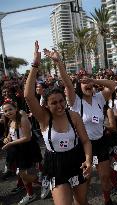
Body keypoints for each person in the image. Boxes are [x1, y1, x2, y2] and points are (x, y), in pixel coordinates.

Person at [44, 47, 117, 205]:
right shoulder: (75, 101)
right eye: (82, 81)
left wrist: (95, 81)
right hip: (83, 147)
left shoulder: (99, 97)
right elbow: (67, 84)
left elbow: (113, 85)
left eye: (88, 80)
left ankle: (107, 200)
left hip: (100, 142)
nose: (87, 83)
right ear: (79, 85)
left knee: (105, 177)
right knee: (86, 181)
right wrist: (58, 62)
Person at [24, 41, 92, 205]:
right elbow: (28, 96)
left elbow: (85, 140)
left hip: (76, 160)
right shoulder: (44, 118)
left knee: (82, 202)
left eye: (61, 101)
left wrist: (88, 160)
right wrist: (35, 63)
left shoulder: (73, 116)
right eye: (53, 103)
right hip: (55, 165)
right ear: (46, 105)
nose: (59, 105)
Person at [2, 99, 39, 204]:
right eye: (5, 111)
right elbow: (11, 134)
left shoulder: (22, 119)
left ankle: (44, 182)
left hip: (26, 149)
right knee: (22, 174)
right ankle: (31, 193)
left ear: (15, 109)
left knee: (24, 174)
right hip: (18, 149)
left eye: (10, 109)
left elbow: (27, 137)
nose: (8, 112)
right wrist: (7, 138)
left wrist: (10, 144)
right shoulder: (10, 121)